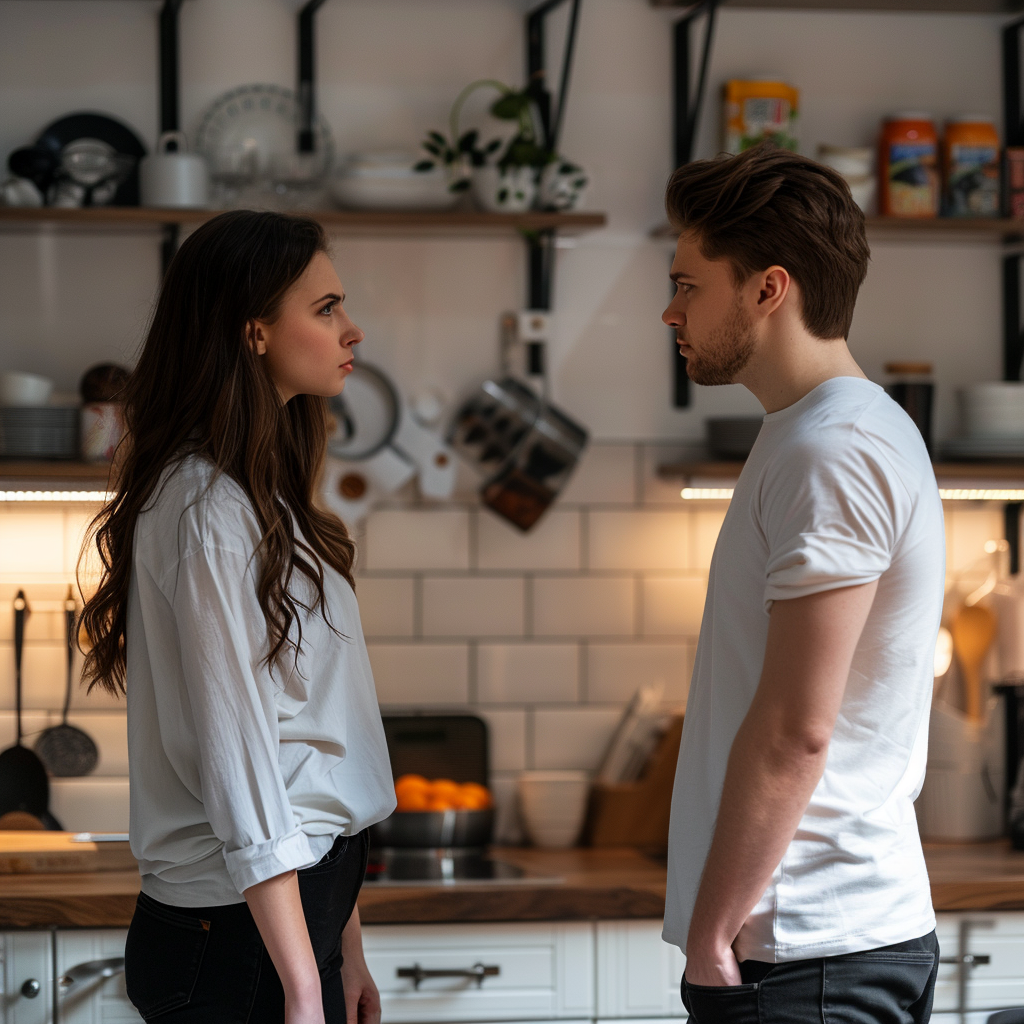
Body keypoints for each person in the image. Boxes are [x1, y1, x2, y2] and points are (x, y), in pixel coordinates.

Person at [80, 210, 396, 1024]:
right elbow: (241, 762)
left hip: (283, 928)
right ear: (254, 330)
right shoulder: (206, 511)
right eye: (325, 309)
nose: (351, 329)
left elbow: (314, 750)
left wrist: (341, 952)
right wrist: (299, 985)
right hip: (239, 944)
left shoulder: (262, 498)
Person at [661, 144, 945, 1023]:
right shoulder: (815, 432)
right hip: (813, 946)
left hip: (809, 951)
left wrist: (713, 935)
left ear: (767, 289)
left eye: (687, 285)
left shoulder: (834, 450)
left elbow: (796, 729)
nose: (668, 312)